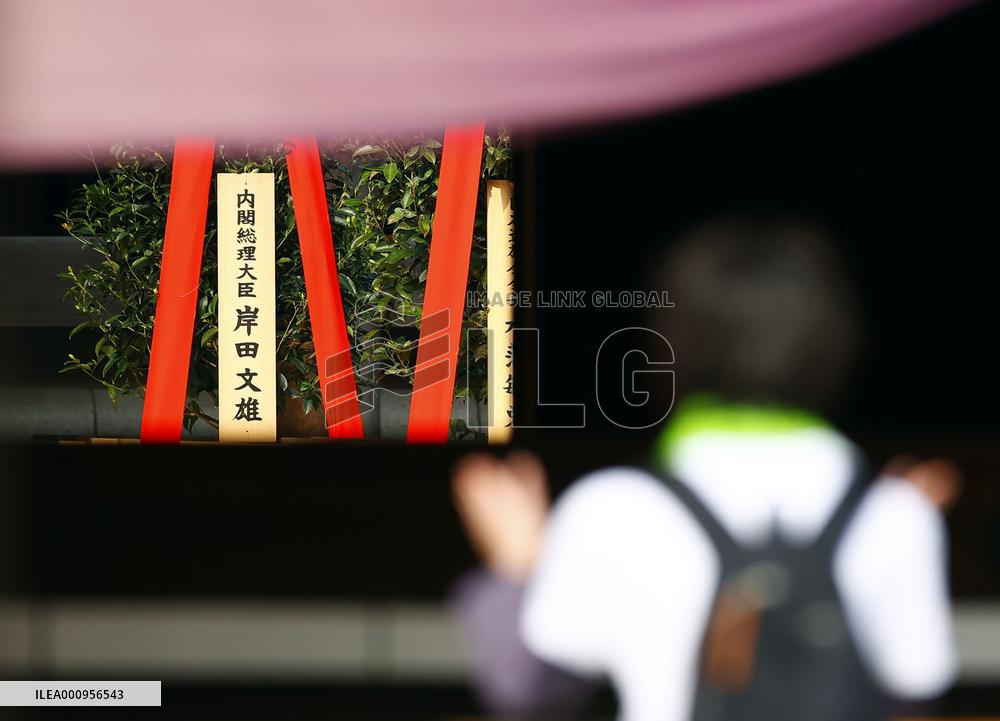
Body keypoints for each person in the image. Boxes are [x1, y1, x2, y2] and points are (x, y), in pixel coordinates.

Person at [450, 217, 957, 721]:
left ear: (668, 341)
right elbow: (910, 693)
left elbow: (532, 692)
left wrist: (517, 566)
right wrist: (895, 523)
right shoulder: (894, 516)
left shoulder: (614, 508)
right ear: (838, 340)